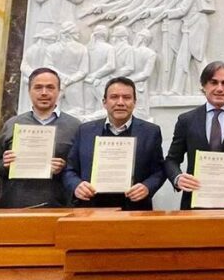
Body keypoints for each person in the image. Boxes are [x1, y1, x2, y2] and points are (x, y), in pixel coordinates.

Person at [163, 61, 224, 209]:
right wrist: (178, 178)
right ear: (204, 86)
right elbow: (171, 160)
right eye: (214, 82)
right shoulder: (186, 120)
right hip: (193, 204)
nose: (220, 88)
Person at [62, 77, 166, 209]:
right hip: (90, 208)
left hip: (134, 209)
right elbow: (69, 169)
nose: (120, 102)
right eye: (114, 97)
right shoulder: (85, 131)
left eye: (127, 97)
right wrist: (76, 185)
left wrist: (147, 187)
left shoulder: (150, 132)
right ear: (104, 102)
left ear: (134, 102)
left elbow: (159, 170)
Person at [0, 68, 82, 208]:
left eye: (50, 87)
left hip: (58, 206)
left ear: (59, 91)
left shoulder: (75, 126)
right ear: (29, 91)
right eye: (38, 87)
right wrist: (5, 164)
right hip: (15, 205)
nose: (44, 93)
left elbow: (80, 170)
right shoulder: (12, 124)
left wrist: (63, 167)